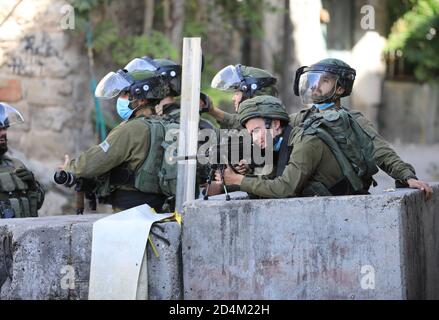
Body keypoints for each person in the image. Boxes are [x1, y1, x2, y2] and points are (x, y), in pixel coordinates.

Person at [291, 58, 433, 199]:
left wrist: (407, 176)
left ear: (340, 89)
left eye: (325, 81)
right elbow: (275, 125)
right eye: (315, 79)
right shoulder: (302, 118)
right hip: (306, 198)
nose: (316, 85)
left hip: (342, 200)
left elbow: (380, 150)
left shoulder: (352, 120)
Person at [58, 68, 176, 212]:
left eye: (125, 94)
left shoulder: (133, 129)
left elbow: (98, 159)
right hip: (160, 208)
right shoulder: (165, 124)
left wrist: (70, 168)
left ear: (142, 99)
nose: (120, 98)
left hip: (130, 212)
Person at [217, 95, 371, 198]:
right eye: (251, 134)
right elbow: (270, 181)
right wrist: (231, 180)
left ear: (276, 124)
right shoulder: (281, 144)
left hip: (347, 211)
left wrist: (237, 180)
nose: (255, 139)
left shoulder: (306, 142)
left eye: (257, 131)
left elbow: (285, 188)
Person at [0, 102, 45, 218]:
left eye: (5, 128)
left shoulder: (16, 164)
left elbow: (37, 204)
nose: (4, 133)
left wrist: (33, 186)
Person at [207, 64, 278, 129]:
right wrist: (211, 110)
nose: (233, 98)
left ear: (250, 93)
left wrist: (212, 111)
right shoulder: (267, 123)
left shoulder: (264, 129)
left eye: (237, 94)